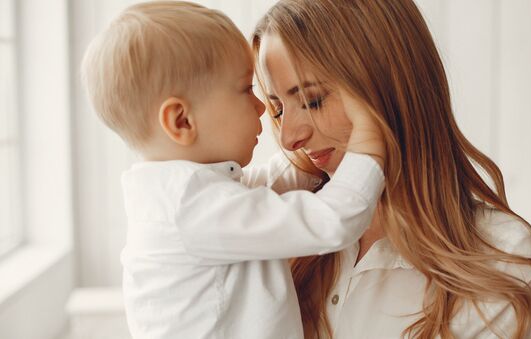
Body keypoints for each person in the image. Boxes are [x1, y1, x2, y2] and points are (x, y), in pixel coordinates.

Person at [251, 0, 531, 338]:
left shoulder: (501, 257)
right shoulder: (283, 239)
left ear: (386, 86)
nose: (289, 138)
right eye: (277, 110)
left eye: (313, 101)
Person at [80, 1, 387, 338]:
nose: (260, 109)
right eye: (246, 90)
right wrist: (368, 142)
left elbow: (262, 192)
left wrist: (318, 155)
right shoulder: (191, 207)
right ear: (182, 121)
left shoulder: (175, 197)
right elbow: (330, 221)